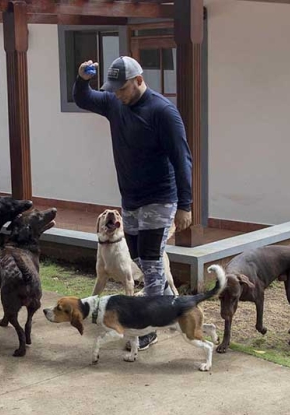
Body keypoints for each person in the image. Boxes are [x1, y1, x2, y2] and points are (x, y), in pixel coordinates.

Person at [74, 56, 193, 351]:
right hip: (131, 198)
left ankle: (149, 328)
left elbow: (182, 160)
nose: (116, 94)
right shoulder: (116, 103)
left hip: (160, 198)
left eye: (122, 88)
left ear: (139, 81)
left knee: (151, 262)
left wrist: (185, 205)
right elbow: (83, 98)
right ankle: (172, 304)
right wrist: (81, 79)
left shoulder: (162, 112)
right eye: (113, 89)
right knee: (140, 257)